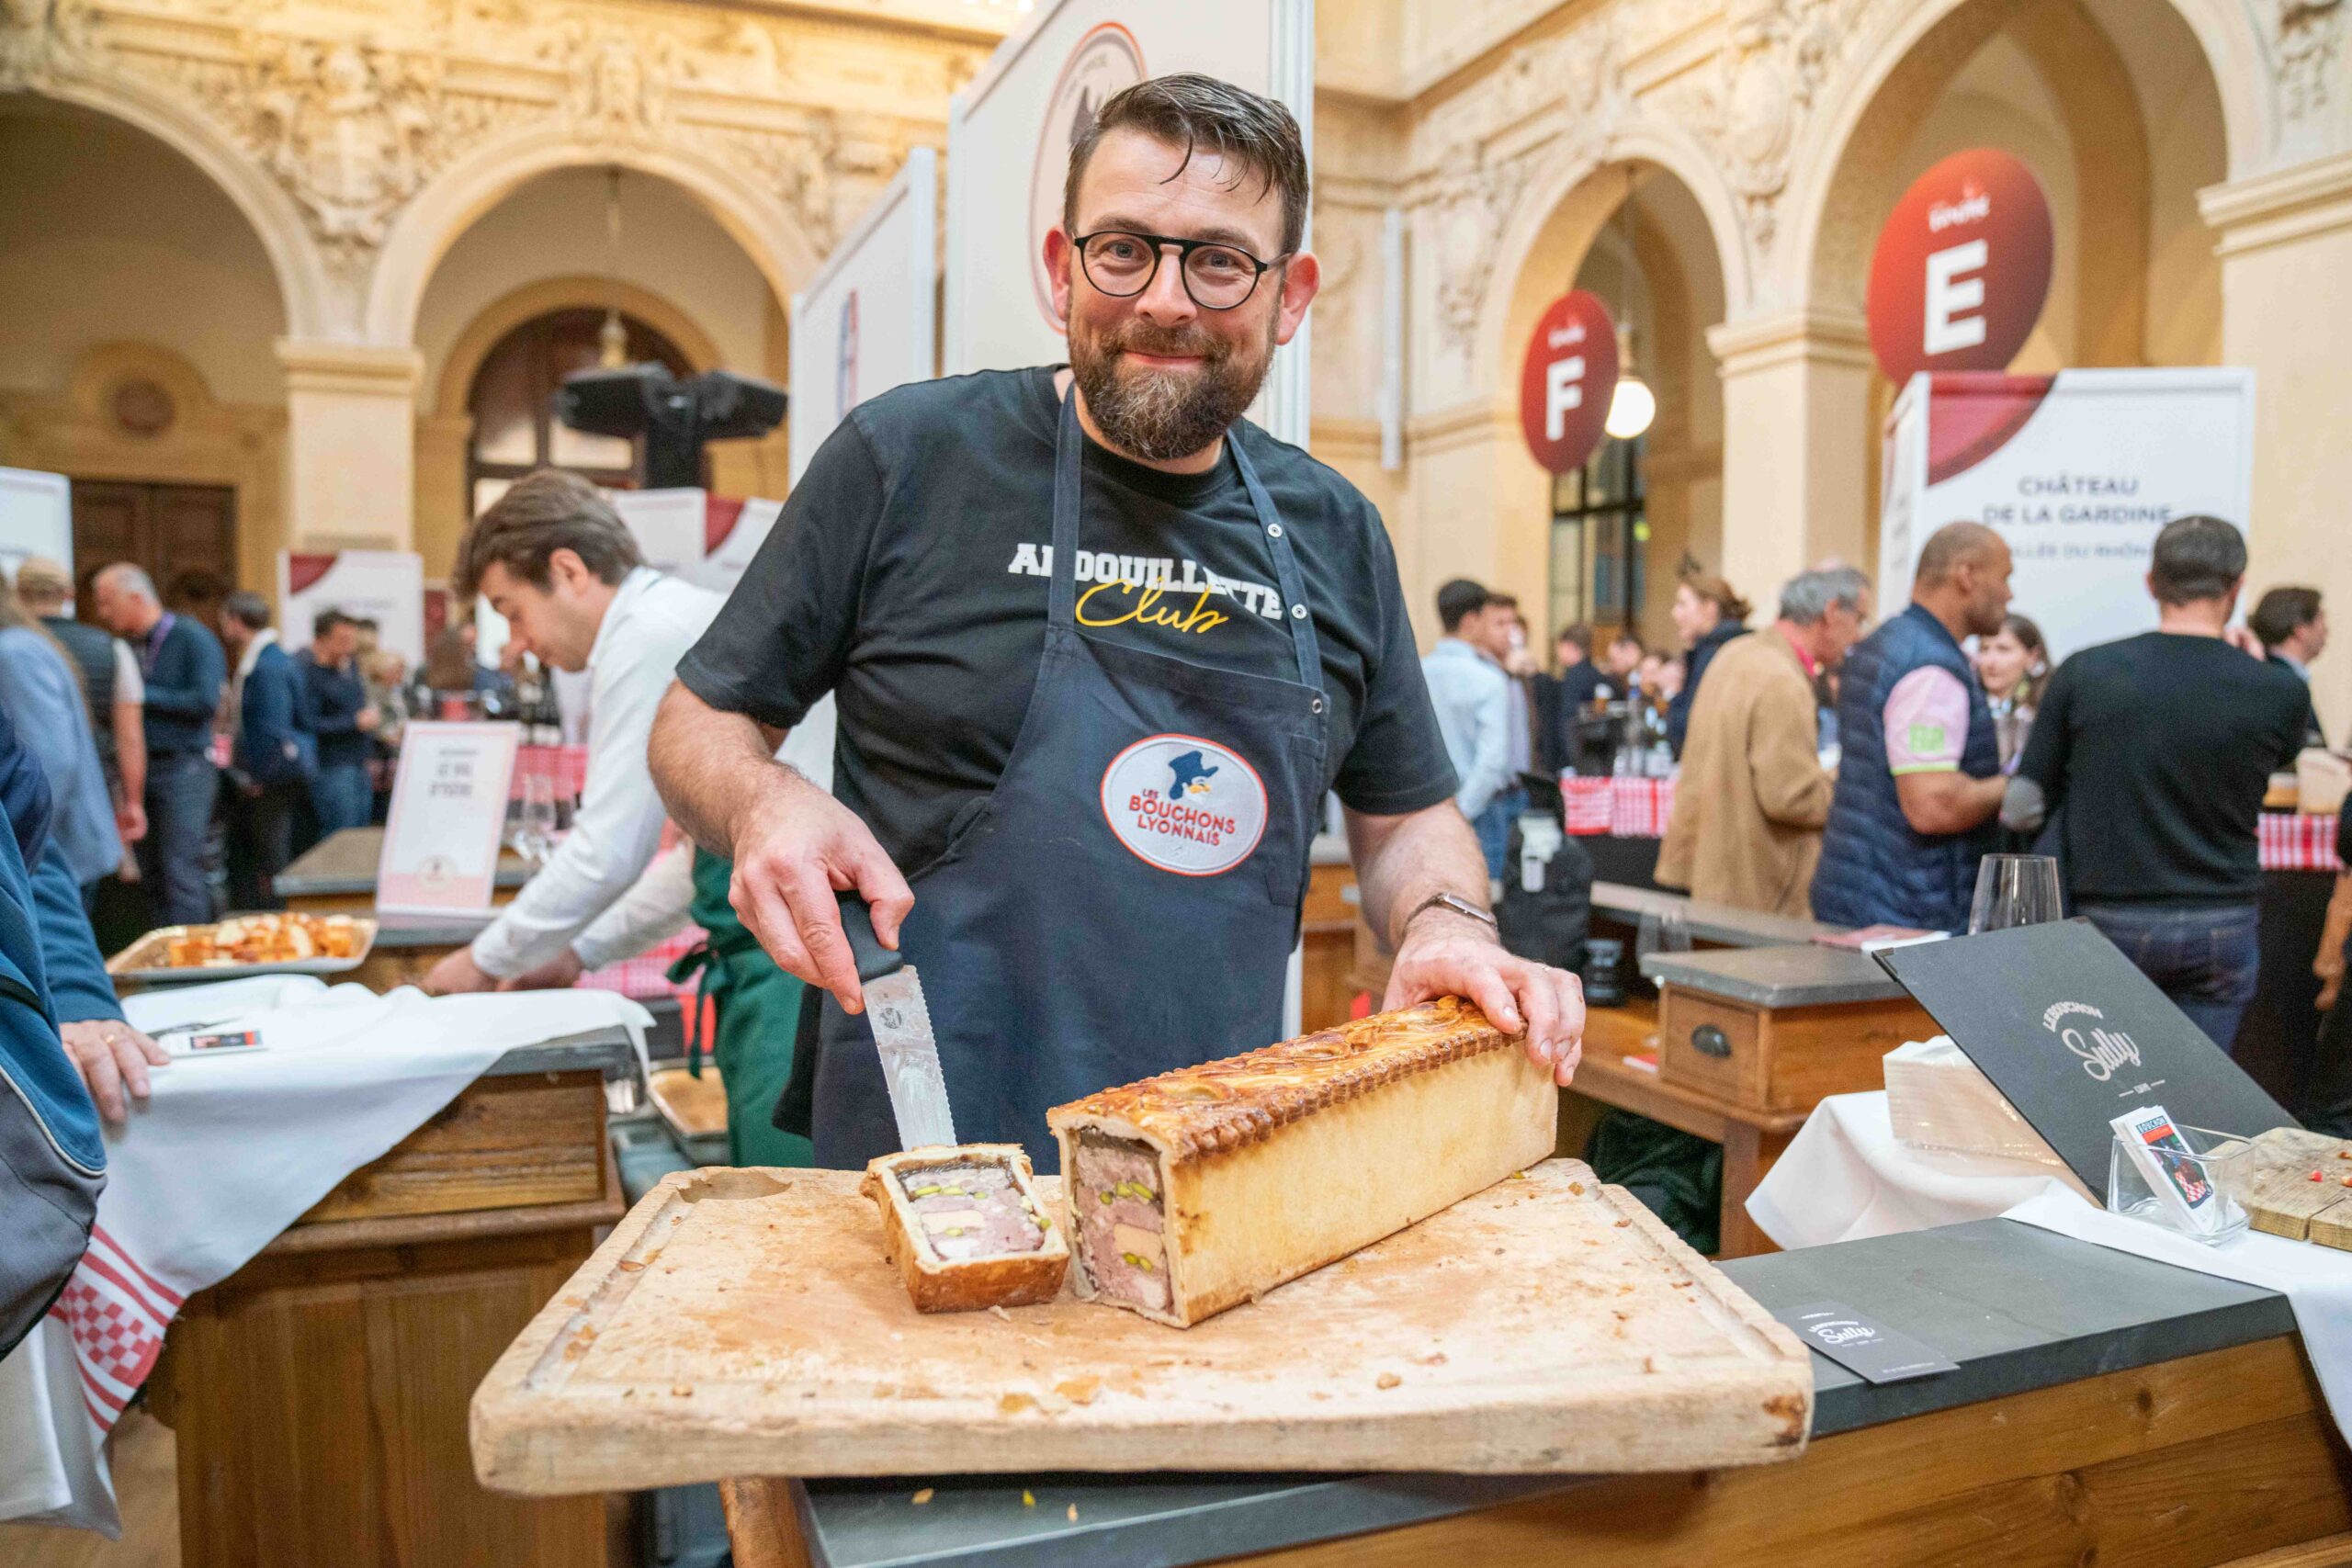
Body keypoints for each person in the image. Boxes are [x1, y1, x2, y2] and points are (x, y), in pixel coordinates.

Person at [645, 73, 1584, 1169]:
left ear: (1291, 295)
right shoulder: (909, 458)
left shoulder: (1334, 530)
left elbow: (1406, 814)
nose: (1168, 301)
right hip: (928, 1151)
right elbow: (696, 722)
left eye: (1221, 260)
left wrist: (1444, 922)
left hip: (1209, 1157)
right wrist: (763, 804)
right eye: (1125, 249)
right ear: (1062, 268)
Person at [2005, 517, 2306, 1051]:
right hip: (2224, 917)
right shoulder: (2277, 689)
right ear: (2236, 587)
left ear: (2151, 583)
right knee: (2201, 1101)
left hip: (2110, 917)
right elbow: (2281, 759)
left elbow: (2021, 806)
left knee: (2109, 1088)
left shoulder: (2085, 671)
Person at [420, 470, 724, 994]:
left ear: (568, 571)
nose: (517, 643)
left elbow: (608, 851)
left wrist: (481, 962)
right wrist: (580, 951)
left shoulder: (645, 636)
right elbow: (703, 864)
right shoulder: (663, 617)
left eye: (512, 613)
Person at [1812, 522, 2013, 933]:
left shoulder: (1883, 645)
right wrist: (2014, 785)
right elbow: (1932, 804)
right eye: (2005, 578)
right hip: (1909, 914)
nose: (2010, 594)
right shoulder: (1929, 669)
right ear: (1967, 575)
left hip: (1869, 895)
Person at [1657, 568, 1871, 917]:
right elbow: (1791, 798)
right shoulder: (1781, 678)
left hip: (1714, 875)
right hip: (1758, 889)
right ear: (1831, 613)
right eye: (1859, 619)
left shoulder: (1736, 653)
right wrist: (1848, 782)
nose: (1859, 636)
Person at [91, 562, 224, 926]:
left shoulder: (193, 638)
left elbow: (204, 702)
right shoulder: (125, 646)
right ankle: (163, 960)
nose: (102, 613)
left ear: (135, 598)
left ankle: (194, 967)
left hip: (185, 767)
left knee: (180, 869)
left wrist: (136, 697)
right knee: (152, 874)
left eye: (107, 603)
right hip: (143, 770)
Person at [0, 587, 123, 904]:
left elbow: (53, 759)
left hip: (52, 854)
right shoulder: (24, 643)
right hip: (56, 848)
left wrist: (20, 845)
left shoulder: (13, 651)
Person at [14, 557, 146, 852]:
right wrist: (134, 802)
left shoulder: (9, 646)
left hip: (20, 789)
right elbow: (130, 736)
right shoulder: (112, 648)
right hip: (93, 785)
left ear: (17, 594)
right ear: (69, 595)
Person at [217, 592, 316, 911]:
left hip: (272, 776)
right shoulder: (271, 659)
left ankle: (278, 924)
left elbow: (272, 728)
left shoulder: (267, 665)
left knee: (273, 858)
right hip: (274, 772)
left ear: (234, 620)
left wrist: (260, 775)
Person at [1421, 579, 1517, 881]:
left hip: (1426, 809)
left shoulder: (1417, 672)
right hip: (1478, 812)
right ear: (1471, 620)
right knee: (1480, 912)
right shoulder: (1488, 679)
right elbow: (1491, 760)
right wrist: (1461, 812)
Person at [298, 609, 381, 839]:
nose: (349, 646)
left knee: (359, 831)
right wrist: (353, 722)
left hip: (358, 761)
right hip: (331, 765)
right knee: (339, 834)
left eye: (351, 640)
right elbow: (308, 723)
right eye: (342, 640)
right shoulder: (307, 673)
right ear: (321, 640)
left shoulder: (349, 668)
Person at [1665, 572, 1751, 758]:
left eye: (1682, 604)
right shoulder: (1739, 647)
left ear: (1710, 608)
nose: (1675, 614)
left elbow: (1688, 730)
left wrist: (1673, 694)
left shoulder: (1713, 655)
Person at [2249, 586, 2327, 750]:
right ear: (2301, 630)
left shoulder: (2261, 672)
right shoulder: (2282, 684)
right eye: (2320, 619)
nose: (2326, 630)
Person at [1974, 612, 2048, 772]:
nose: (1990, 661)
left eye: (2003, 649)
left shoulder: (2045, 711)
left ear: (2033, 657)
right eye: (1984, 649)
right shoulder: (1964, 707)